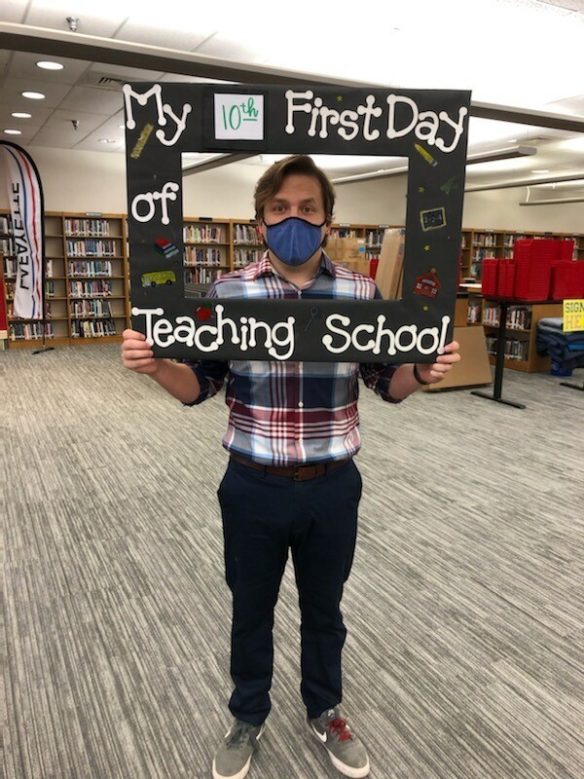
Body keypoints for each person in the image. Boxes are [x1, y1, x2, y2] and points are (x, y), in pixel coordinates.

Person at [121, 154, 461, 779]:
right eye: (280, 209)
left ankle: (324, 708)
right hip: (252, 485)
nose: (293, 219)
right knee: (250, 607)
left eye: (307, 208)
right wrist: (155, 367)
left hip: (333, 486)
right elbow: (202, 385)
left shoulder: (361, 293)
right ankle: (248, 711)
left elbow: (388, 381)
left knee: (325, 608)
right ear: (259, 222)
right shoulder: (228, 293)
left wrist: (424, 371)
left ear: (329, 220)